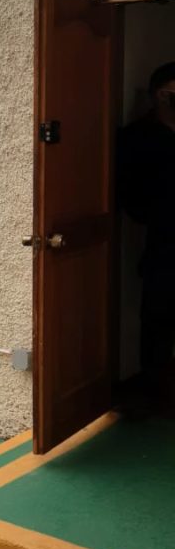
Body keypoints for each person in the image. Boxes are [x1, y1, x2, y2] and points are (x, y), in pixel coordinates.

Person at [118, 62, 175, 410]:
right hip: (164, 244)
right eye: (171, 94)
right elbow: (131, 198)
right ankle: (156, 394)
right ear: (158, 95)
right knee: (158, 320)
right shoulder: (137, 137)